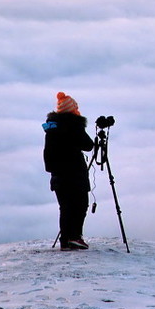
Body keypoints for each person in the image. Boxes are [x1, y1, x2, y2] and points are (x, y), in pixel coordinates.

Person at [43, 92, 95, 250]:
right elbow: (88, 145)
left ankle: (65, 240)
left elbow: (48, 154)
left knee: (65, 207)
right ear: (72, 109)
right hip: (75, 173)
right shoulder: (73, 125)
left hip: (58, 175)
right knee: (80, 205)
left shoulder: (52, 129)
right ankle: (75, 237)